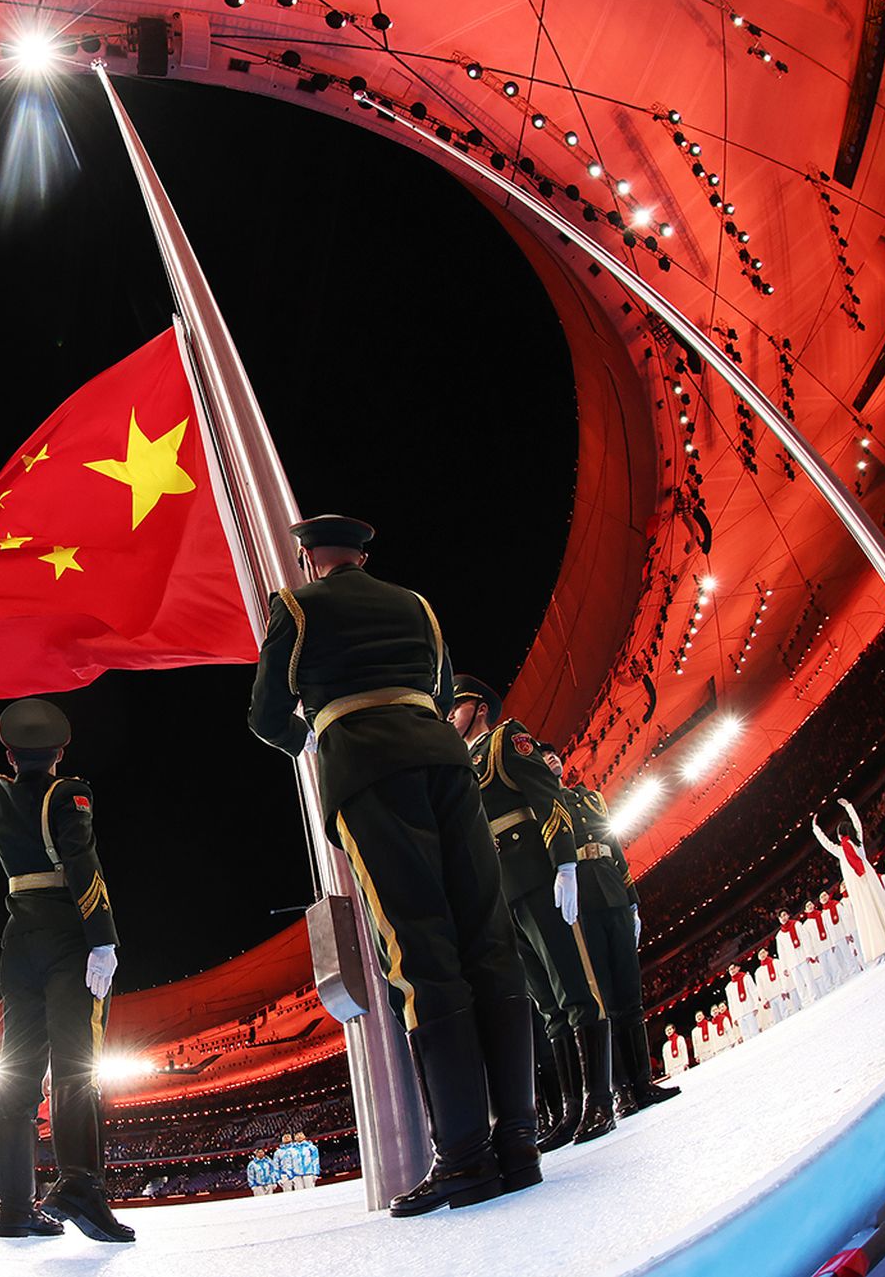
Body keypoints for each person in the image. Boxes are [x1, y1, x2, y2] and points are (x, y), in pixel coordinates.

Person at [246, 514, 537, 1217]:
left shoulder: (296, 606)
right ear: (364, 554)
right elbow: (439, 694)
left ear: (310, 559)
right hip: (442, 760)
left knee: (419, 948)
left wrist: (320, 736)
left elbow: (264, 714)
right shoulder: (417, 605)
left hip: (368, 771)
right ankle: (519, 1146)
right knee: (488, 939)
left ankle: (464, 1159)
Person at [0, 699, 127, 1242]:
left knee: (18, 1069)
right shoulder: (69, 793)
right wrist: (103, 939)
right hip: (67, 934)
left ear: (9, 753)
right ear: (60, 752)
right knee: (78, 1063)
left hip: (17, 939)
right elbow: (82, 863)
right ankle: (78, 1186)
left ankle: (16, 1208)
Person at [447, 675, 611, 1152]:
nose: (450, 717)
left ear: (478, 707)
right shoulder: (460, 761)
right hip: (500, 890)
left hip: (536, 876)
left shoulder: (506, 739)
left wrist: (564, 862)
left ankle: (598, 1098)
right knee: (547, 1003)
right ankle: (570, 1111)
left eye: (456, 709)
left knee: (575, 988)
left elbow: (547, 795)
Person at [544, 746, 677, 1115]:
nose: (551, 759)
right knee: (602, 1002)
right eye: (543, 757)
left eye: (553, 755)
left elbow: (615, 846)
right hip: (581, 902)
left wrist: (632, 900)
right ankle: (620, 1091)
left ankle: (643, 1083)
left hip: (612, 894)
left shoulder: (590, 798)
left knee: (629, 995)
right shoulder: (543, 805)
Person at [813, 799, 885, 965]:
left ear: (841, 835)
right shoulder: (858, 843)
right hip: (868, 879)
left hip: (857, 885)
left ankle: (879, 948)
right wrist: (849, 806)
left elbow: (826, 843)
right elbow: (857, 824)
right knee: (879, 907)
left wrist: (816, 829)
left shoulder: (841, 850)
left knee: (866, 914)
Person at [773, 909, 816, 1009]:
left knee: (809, 979)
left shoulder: (797, 925)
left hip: (802, 956)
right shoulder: (779, 936)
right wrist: (784, 967)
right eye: (781, 917)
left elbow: (805, 939)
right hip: (791, 962)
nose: (783, 918)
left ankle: (814, 997)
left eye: (784, 915)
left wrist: (809, 953)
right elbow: (781, 953)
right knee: (799, 984)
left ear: (788, 915)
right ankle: (805, 1002)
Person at [754, 949, 793, 1025]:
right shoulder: (758, 971)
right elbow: (760, 987)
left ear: (767, 952)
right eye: (760, 954)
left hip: (780, 993)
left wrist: (784, 990)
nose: (762, 955)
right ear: (758, 957)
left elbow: (782, 977)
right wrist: (764, 1000)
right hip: (770, 998)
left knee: (787, 1015)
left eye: (763, 952)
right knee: (776, 1021)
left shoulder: (776, 962)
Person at [724, 963, 761, 1043]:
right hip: (739, 1014)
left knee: (755, 1032)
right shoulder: (729, 987)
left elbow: (753, 991)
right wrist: (734, 1017)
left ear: (738, 968)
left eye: (733, 968)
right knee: (746, 1036)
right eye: (730, 969)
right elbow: (731, 1003)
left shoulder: (746, 978)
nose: (732, 971)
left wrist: (756, 1006)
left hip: (749, 1009)